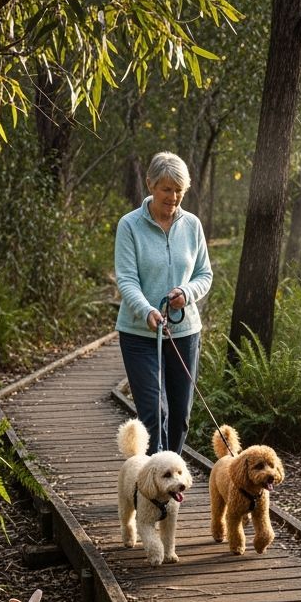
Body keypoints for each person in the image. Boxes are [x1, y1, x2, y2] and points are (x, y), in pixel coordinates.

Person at [115, 152, 212, 454]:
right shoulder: (130, 225)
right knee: (155, 415)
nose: (173, 197)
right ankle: (153, 488)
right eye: (166, 189)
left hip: (184, 333)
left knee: (180, 417)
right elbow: (127, 279)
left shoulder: (192, 225)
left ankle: (171, 482)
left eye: (179, 190)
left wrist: (187, 292)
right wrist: (147, 311)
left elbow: (203, 274)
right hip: (139, 334)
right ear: (150, 185)